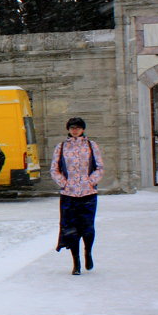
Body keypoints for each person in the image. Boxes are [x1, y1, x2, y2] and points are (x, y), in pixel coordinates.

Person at [51, 117, 104, 275]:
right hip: (69, 194)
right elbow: (54, 168)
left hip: (88, 193)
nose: (75, 130)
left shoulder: (91, 145)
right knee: (71, 229)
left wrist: (90, 181)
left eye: (78, 128)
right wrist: (64, 183)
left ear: (83, 129)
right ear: (68, 129)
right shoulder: (61, 147)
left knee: (87, 227)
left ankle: (88, 252)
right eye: (72, 128)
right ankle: (76, 261)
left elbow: (99, 167)